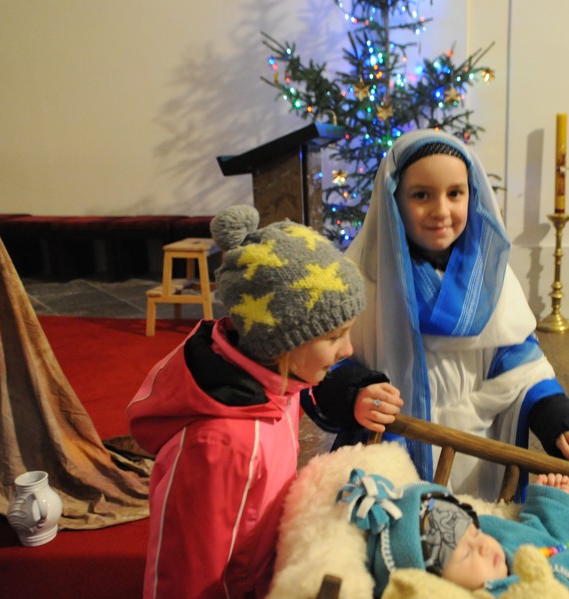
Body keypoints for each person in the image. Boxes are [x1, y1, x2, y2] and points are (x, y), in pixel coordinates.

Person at [127, 205, 402, 598]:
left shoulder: (272, 378)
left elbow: (308, 390)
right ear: (280, 341)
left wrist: (353, 393)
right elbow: (189, 570)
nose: (348, 349)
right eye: (333, 337)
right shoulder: (220, 445)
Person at [340, 129, 569, 500]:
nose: (441, 211)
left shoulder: (491, 280)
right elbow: (327, 364)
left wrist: (561, 423)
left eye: (455, 193)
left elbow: (520, 369)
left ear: (473, 195)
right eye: (421, 195)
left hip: (475, 458)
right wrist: (354, 392)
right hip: (390, 456)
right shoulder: (364, 279)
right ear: (393, 199)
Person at [338, 469, 569, 598]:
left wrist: (551, 503)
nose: (483, 545)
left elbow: (545, 539)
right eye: (466, 553)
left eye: (474, 534)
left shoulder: (494, 537)